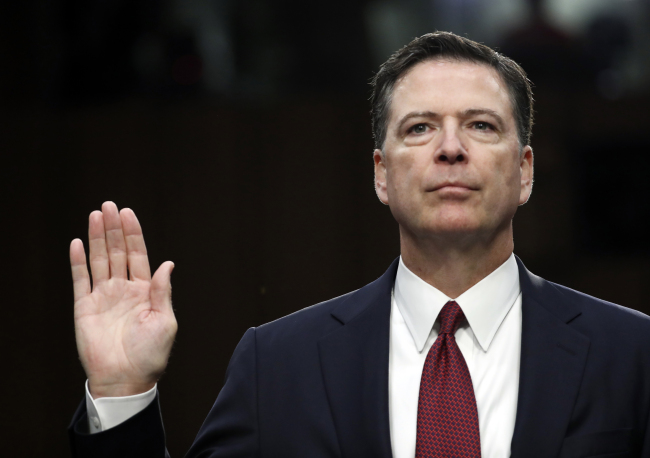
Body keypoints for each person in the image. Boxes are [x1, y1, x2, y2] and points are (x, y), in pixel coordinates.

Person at [68, 32, 650, 457]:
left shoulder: (633, 354)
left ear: (525, 171)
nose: (450, 148)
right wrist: (122, 395)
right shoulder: (278, 365)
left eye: (480, 125)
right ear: (381, 174)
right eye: (419, 128)